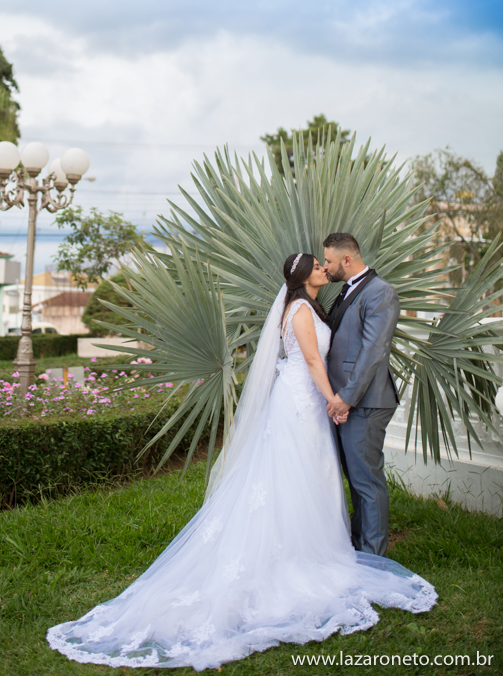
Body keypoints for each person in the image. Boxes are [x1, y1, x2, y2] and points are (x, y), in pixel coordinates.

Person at [47, 253, 436, 671]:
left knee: (307, 476)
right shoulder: (302, 310)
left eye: (326, 264)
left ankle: (314, 544)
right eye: (318, 267)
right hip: (304, 401)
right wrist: (334, 402)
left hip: (301, 400)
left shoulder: (306, 305)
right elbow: (309, 361)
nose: (325, 269)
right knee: (298, 476)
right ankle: (299, 555)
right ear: (305, 277)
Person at [323, 233, 400, 557]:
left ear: (347, 260)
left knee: (366, 480)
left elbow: (373, 351)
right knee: (356, 479)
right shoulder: (348, 291)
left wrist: (347, 398)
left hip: (365, 403)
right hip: (348, 402)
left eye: (328, 260)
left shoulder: (380, 292)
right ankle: (358, 545)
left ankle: (373, 559)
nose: (325, 267)